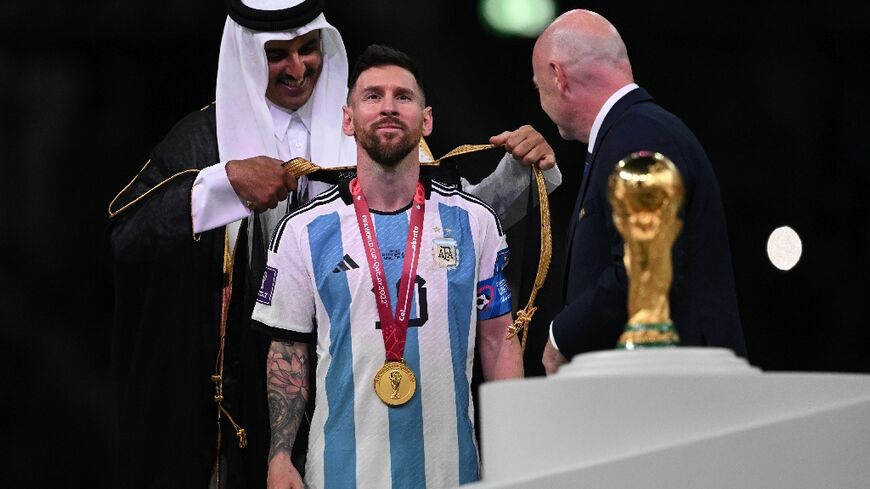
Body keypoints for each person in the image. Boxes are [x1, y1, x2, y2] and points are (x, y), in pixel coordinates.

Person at [108, 1, 557, 487]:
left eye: (309, 49)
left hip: (353, 397)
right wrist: (225, 186)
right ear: (246, 55)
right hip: (236, 404)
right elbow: (128, 236)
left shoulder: (373, 128)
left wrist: (522, 174)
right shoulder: (204, 141)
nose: (297, 69)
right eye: (277, 54)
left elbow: (453, 233)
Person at [251, 44, 524, 489]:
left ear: (427, 118)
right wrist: (279, 455)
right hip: (339, 476)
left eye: (403, 96)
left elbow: (500, 345)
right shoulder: (303, 230)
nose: (389, 108)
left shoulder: (475, 223)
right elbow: (288, 352)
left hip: (451, 474)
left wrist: (517, 453)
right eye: (373, 96)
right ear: (348, 118)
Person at [531, 10, 747, 374]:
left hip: (673, 387)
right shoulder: (634, 131)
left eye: (538, 86)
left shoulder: (639, 136)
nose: (541, 99)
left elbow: (643, 265)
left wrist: (562, 337)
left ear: (558, 76)